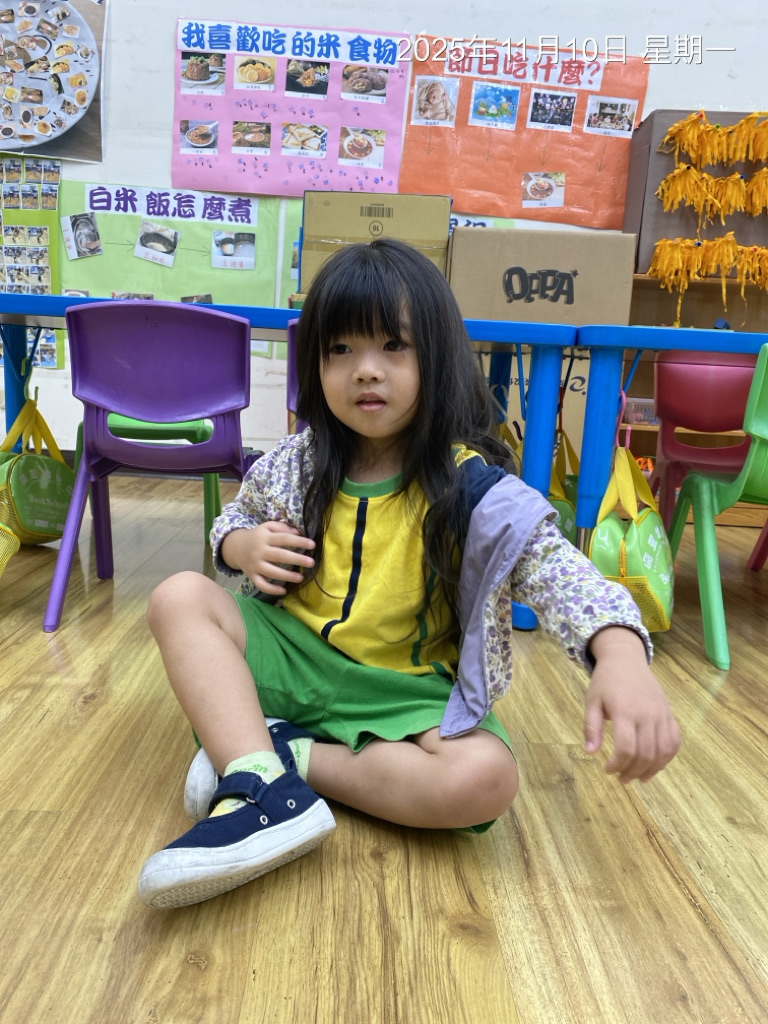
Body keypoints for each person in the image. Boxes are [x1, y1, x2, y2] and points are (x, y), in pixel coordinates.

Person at [138, 239, 681, 909]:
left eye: (394, 346)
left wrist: (620, 655)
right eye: (340, 349)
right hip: (292, 654)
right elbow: (232, 520)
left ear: (438, 357)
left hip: (404, 688)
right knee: (179, 596)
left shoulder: (473, 489)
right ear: (316, 365)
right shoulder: (294, 463)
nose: (366, 371)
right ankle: (257, 779)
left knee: (485, 779)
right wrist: (240, 546)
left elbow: (560, 572)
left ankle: (277, 757)